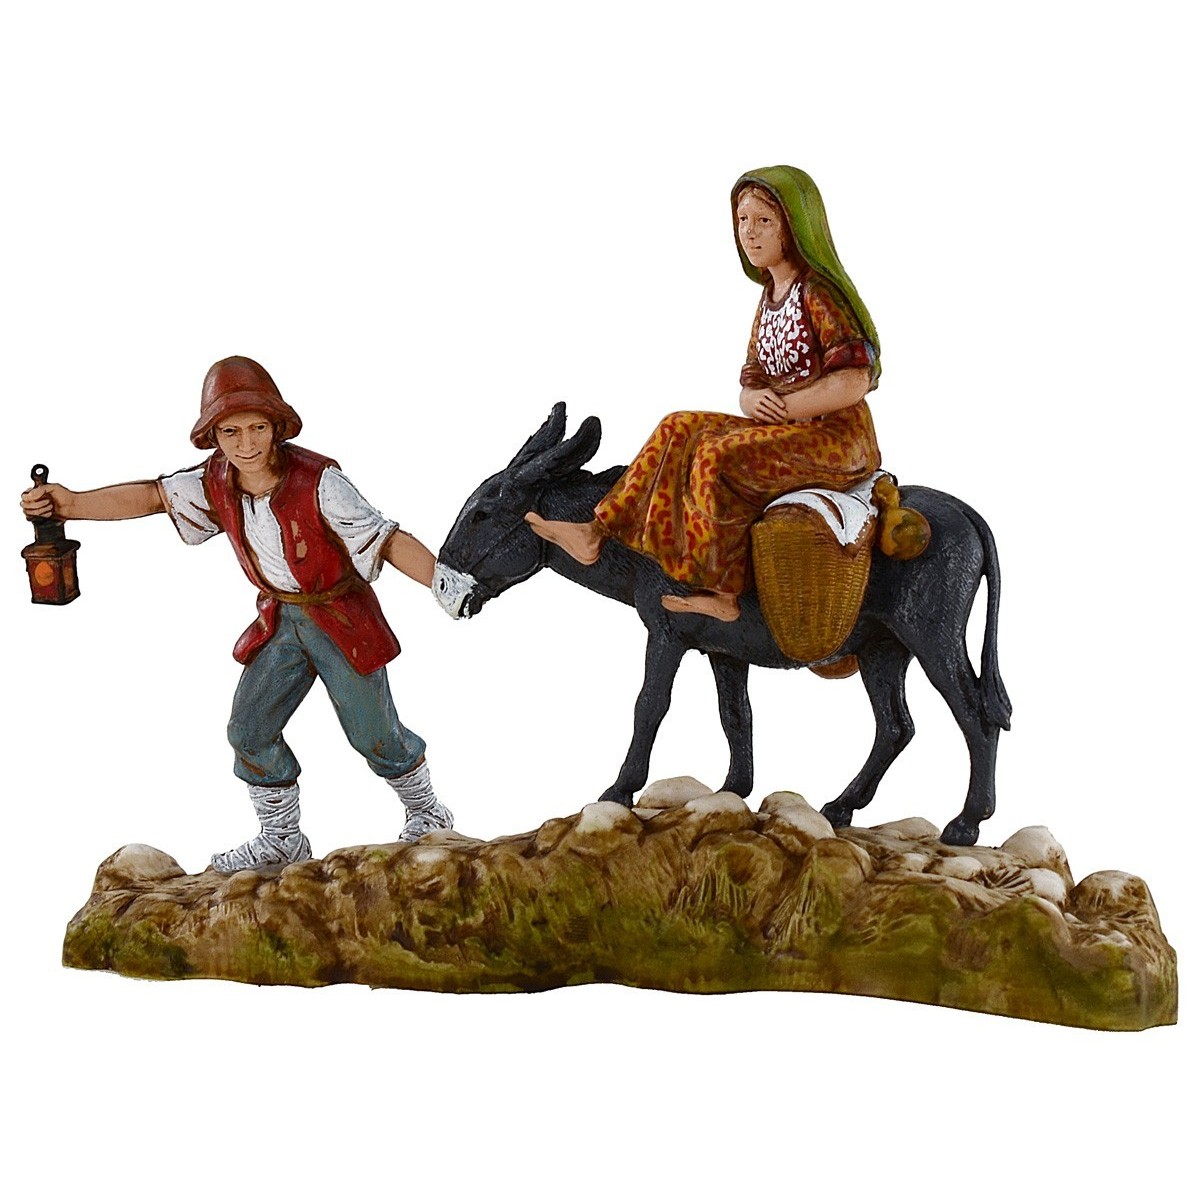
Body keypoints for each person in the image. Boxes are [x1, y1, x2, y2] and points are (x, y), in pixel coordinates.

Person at [20, 355, 453, 873]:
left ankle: (428, 813)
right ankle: (281, 840)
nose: (245, 444)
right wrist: (70, 504)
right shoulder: (216, 480)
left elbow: (385, 539)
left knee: (373, 732)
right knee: (249, 729)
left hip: (341, 621)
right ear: (214, 436)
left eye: (257, 429)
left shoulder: (321, 482)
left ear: (276, 427)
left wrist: (442, 582)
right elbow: (153, 497)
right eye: (230, 432)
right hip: (281, 623)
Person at [526, 166, 882, 622]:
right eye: (742, 220)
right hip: (784, 427)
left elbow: (854, 379)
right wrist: (751, 400)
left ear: (794, 226)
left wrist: (788, 407)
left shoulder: (819, 294)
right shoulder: (771, 294)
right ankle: (596, 532)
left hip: (835, 439)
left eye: (764, 221)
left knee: (716, 457)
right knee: (677, 426)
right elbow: (752, 375)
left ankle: (725, 593)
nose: (749, 233)